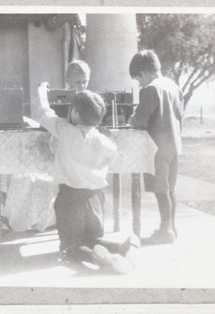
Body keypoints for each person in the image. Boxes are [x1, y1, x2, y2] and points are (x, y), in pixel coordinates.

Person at [33, 82, 139, 274]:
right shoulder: (105, 142)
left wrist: (42, 90)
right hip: (96, 198)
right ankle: (120, 248)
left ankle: (100, 258)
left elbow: (43, 112)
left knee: (69, 246)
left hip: (70, 198)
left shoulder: (64, 130)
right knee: (93, 239)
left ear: (74, 113)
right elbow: (118, 163)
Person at [0, 59, 92, 233]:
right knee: (19, 173)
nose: (81, 86)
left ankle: (40, 218)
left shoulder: (90, 102)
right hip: (55, 151)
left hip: (74, 158)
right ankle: (15, 215)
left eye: (84, 82)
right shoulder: (59, 99)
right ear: (68, 81)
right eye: (77, 82)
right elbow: (47, 119)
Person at [128, 50, 184, 244]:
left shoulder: (150, 89)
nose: (139, 84)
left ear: (144, 73)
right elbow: (179, 116)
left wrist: (131, 119)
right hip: (175, 146)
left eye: (137, 80)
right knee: (170, 189)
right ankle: (171, 226)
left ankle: (165, 231)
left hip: (157, 148)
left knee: (161, 190)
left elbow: (140, 120)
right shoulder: (174, 87)